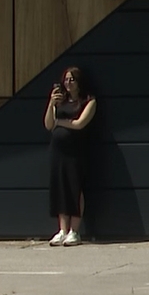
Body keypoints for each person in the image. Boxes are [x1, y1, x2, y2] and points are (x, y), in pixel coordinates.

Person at [44, 67, 97, 247]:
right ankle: (62, 230)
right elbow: (48, 124)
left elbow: (79, 124)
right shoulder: (61, 102)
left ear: (79, 82)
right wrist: (51, 104)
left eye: (72, 79)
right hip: (58, 151)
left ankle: (74, 230)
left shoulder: (88, 101)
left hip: (76, 151)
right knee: (60, 187)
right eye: (66, 79)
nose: (68, 83)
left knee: (75, 188)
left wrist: (60, 122)